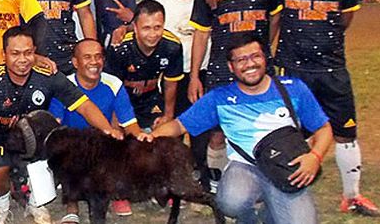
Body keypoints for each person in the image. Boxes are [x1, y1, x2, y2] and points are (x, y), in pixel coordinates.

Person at [140, 34, 333, 224]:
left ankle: (271, 210)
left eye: (255, 56)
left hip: (286, 168)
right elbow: (180, 125)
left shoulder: (293, 88)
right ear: (231, 67)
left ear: (265, 58)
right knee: (230, 202)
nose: (249, 64)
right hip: (245, 166)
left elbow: (324, 128)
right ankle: (248, 219)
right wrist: (152, 136)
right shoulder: (220, 98)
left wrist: (314, 157)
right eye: (241, 60)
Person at [0, 26, 121, 224]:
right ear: (4, 54)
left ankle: (35, 203)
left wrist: (108, 130)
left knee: (58, 156)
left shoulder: (48, 77)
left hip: (38, 142)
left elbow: (84, 106)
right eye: (15, 53)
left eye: (28, 53)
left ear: (35, 52)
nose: (22, 59)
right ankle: (2, 204)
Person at [276, 0, 380, 216]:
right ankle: (281, 188)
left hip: (332, 68)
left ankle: (352, 196)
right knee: (289, 134)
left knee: (345, 132)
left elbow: (345, 18)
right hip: (292, 68)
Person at [189, 0, 283, 190]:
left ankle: (264, 181)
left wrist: (265, 52)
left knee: (263, 126)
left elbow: (275, 19)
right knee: (218, 131)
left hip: (258, 69)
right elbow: (202, 33)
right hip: (221, 68)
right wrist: (195, 75)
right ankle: (218, 184)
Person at [49, 38, 141, 220]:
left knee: (125, 145)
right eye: (87, 57)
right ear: (75, 62)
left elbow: (129, 123)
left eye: (98, 57)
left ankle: (117, 193)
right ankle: (71, 206)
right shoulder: (63, 85)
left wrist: (141, 143)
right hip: (73, 147)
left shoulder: (113, 84)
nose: (94, 62)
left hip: (103, 145)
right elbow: (54, 125)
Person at [154, 0, 212, 188]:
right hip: (172, 76)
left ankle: (204, 178)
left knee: (202, 131)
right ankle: (175, 181)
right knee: (172, 130)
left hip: (204, 73)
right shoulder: (163, 1)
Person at [106, 0, 184, 131]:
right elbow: (112, 87)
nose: (153, 34)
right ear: (135, 27)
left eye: (157, 27)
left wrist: (168, 115)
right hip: (123, 102)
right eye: (146, 28)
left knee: (163, 139)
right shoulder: (119, 48)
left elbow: (171, 83)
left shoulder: (172, 46)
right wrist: (115, 122)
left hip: (151, 101)